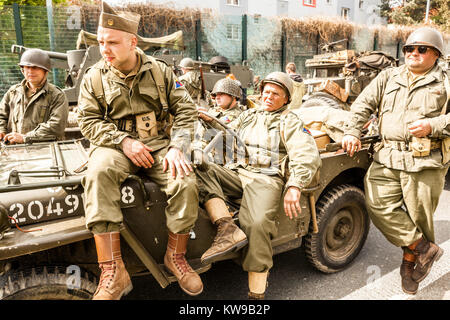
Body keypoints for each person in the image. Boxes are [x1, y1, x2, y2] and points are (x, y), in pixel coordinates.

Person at [77, 2, 202, 300]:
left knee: (184, 181)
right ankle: (113, 270)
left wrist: (177, 147)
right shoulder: (94, 77)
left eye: (113, 42)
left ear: (132, 42)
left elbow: (185, 110)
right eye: (101, 42)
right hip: (115, 145)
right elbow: (87, 120)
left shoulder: (160, 72)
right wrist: (123, 141)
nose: (105, 49)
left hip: (159, 144)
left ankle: (176, 256)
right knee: (98, 174)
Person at [341, 27, 449, 295]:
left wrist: (433, 125)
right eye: (409, 49)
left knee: (418, 215)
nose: (414, 53)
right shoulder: (389, 76)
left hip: (425, 159)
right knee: (377, 204)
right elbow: (363, 105)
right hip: (387, 154)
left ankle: (410, 264)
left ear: (436, 54)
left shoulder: (445, 82)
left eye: (421, 49)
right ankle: (424, 248)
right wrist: (353, 130)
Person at [195, 72, 321, 299]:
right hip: (237, 171)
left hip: (266, 177)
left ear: (286, 99)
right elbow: (228, 134)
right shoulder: (249, 115)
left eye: (276, 94)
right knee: (198, 167)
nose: (268, 97)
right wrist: (209, 121)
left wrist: (295, 185)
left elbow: (306, 155)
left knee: (257, 224)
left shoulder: (290, 121)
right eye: (266, 92)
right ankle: (227, 228)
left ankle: (256, 295)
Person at [0, 48, 68, 144]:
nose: (30, 71)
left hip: (45, 149)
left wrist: (25, 138)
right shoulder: (13, 92)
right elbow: (2, 115)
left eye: (35, 67)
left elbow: (57, 126)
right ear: (22, 70)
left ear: (45, 71)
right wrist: (1, 130)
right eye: (27, 67)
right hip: (14, 149)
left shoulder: (56, 95)